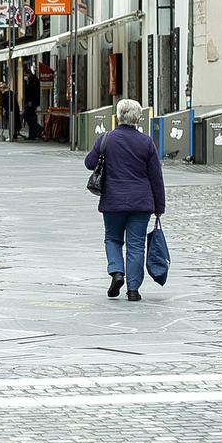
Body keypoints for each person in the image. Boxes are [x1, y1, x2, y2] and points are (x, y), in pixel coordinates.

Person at [84, 99, 166, 302]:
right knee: (136, 245)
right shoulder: (146, 142)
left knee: (112, 239)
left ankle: (116, 271)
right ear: (138, 118)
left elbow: (89, 163)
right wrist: (159, 206)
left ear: (118, 116)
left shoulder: (106, 139)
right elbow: (156, 177)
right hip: (141, 202)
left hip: (113, 200)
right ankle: (133, 290)